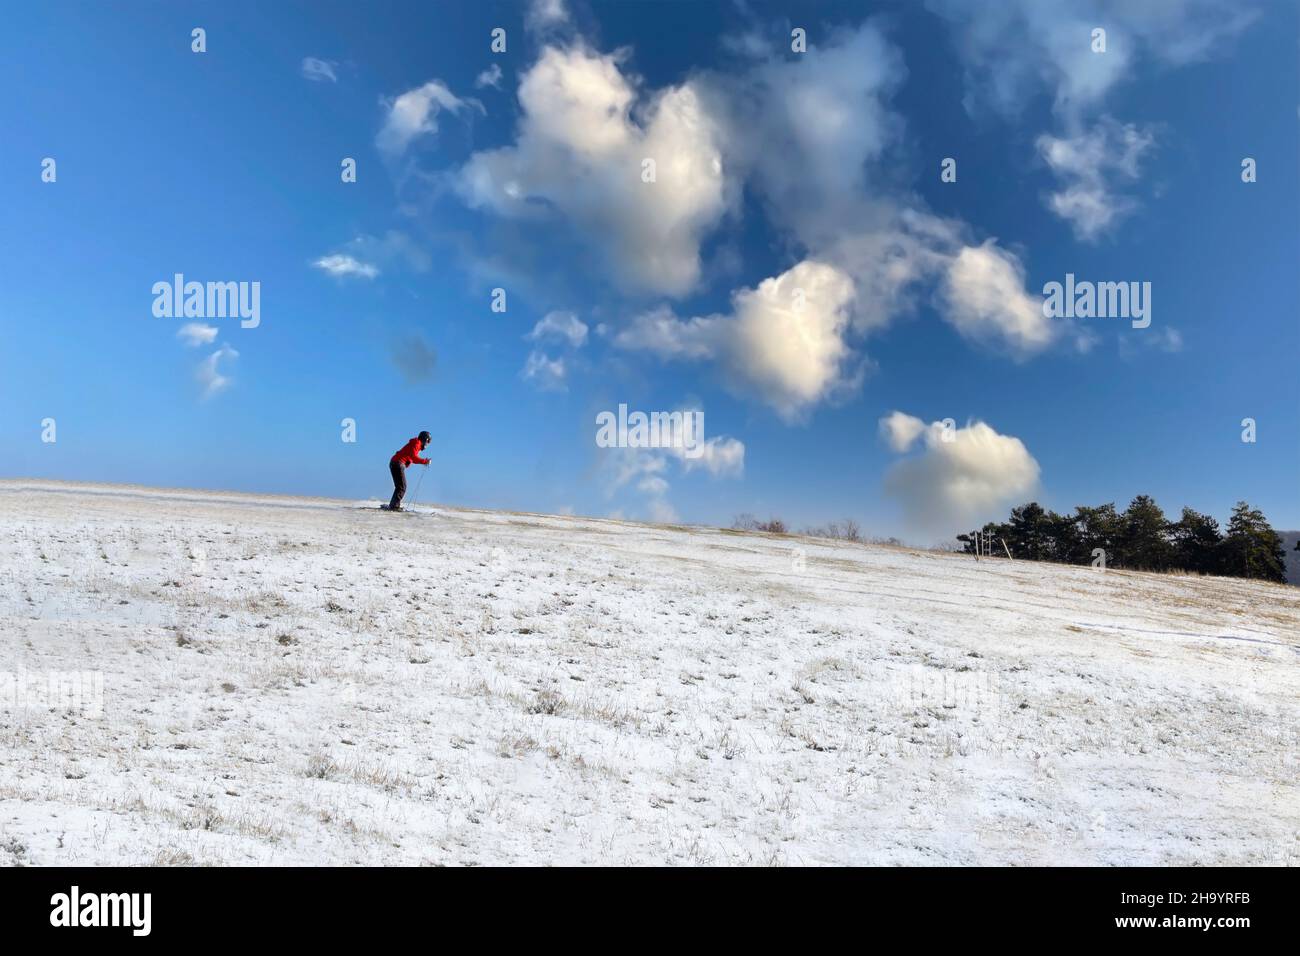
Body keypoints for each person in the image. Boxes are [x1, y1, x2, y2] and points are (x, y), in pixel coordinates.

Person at [388, 431, 431, 511]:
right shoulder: (417, 443)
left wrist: (424, 461)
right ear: (425, 439)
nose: (428, 444)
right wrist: (425, 461)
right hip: (398, 463)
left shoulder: (415, 444)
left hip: (395, 463)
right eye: (428, 442)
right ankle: (394, 507)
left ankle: (393, 505)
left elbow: (413, 458)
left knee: (400, 487)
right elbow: (414, 457)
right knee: (402, 487)